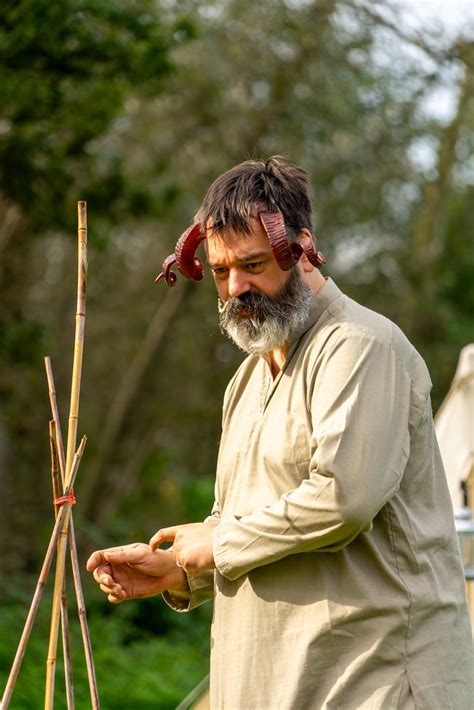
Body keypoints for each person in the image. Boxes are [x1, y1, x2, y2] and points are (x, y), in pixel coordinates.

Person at [87, 157, 472, 709]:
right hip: (271, 682)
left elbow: (344, 498)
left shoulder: (360, 346)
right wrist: (176, 572)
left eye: (254, 264)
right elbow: (244, 524)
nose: (237, 287)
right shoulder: (245, 380)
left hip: (372, 682)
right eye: (220, 272)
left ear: (302, 247)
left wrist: (216, 543)